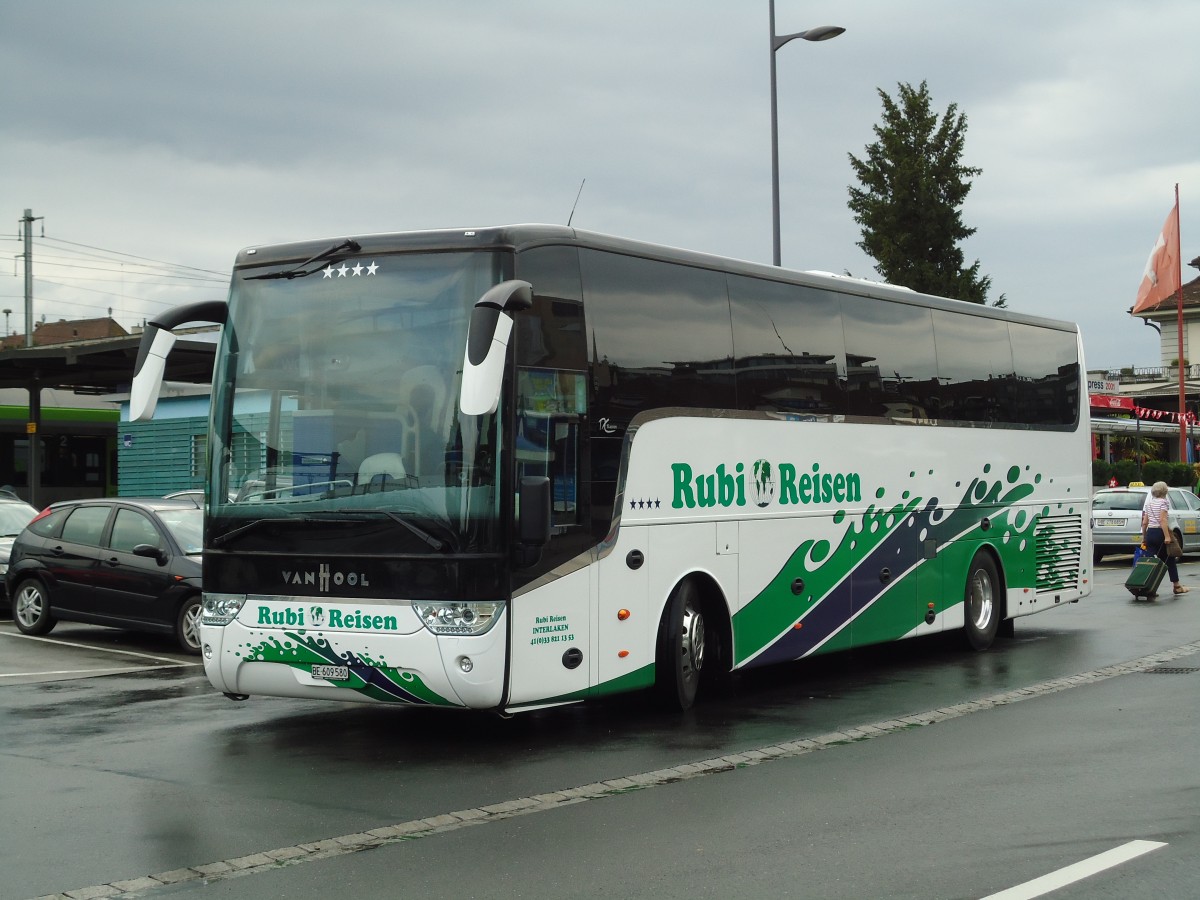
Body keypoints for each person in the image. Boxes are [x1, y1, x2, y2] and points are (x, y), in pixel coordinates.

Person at [1140, 481, 1189, 596]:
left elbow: (1144, 522)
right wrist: (1167, 536)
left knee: (1150, 562)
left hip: (1150, 533)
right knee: (1170, 559)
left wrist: (1144, 537)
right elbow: (1163, 520)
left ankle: (1146, 586)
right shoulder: (1164, 502)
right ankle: (1176, 586)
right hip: (1160, 533)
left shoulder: (1149, 504)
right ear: (1165, 491)